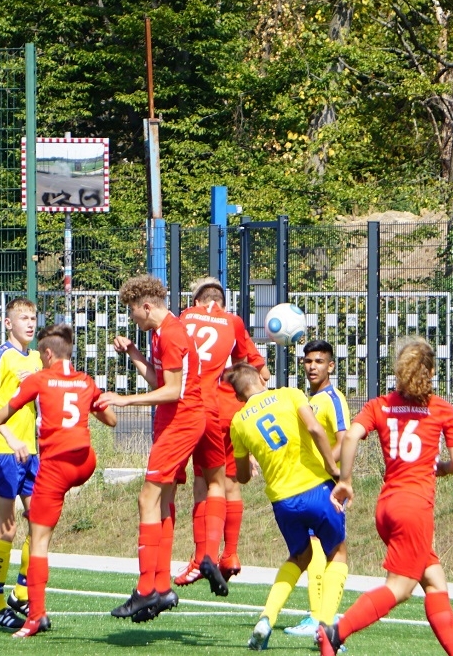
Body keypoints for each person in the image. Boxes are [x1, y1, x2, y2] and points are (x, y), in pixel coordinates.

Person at [318, 337, 453, 656]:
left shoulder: (381, 405)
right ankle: (335, 633)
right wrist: (440, 468)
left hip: (387, 507)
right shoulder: (441, 409)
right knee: (399, 588)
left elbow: (352, 436)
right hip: (414, 509)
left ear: (399, 371)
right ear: (431, 372)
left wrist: (345, 480)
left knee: (435, 581)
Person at [0, 324, 117, 638]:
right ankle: (21, 594)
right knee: (33, 516)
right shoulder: (85, 381)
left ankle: (35, 616)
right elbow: (111, 419)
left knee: (39, 539)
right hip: (85, 463)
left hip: (55, 466)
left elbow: (1, 415)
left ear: (48, 354)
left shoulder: (39, 379)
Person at [94, 275, 215, 625]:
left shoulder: (173, 334)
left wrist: (125, 399)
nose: (132, 318)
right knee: (162, 501)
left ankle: (147, 588)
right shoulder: (160, 333)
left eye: (132, 311)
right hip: (173, 421)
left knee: (147, 498)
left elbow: (174, 391)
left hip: (181, 422)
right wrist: (134, 354)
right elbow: (159, 381)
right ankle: (160, 587)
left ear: (146, 307)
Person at [224, 362, 344, 651]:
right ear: (260, 378)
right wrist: (332, 468)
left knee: (301, 557)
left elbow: (242, 477)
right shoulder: (290, 394)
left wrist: (249, 461)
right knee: (337, 553)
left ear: (239, 396)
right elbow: (315, 428)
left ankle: (266, 618)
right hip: (316, 487)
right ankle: (326, 628)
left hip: (283, 501)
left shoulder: (238, 422)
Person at [173, 277, 270, 588]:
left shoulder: (186, 319)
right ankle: (231, 554)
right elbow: (261, 371)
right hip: (234, 410)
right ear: (223, 303)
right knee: (230, 483)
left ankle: (202, 557)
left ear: (196, 302)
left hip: (203, 406)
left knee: (203, 483)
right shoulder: (233, 324)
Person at [0, 297, 42, 630]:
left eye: (33, 318)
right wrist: (12, 439)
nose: (30, 323)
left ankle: (20, 593)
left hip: (31, 451)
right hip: (4, 450)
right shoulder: (0, 355)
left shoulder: (37, 358)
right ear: (8, 323)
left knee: (40, 522)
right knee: (7, 528)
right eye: (23, 318)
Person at [284, 339, 350, 638]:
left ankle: (320, 617)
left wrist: (326, 468)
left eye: (319, 362)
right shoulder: (308, 399)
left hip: (326, 485)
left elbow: (344, 441)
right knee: (314, 548)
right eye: (309, 361)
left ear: (331, 366)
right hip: (308, 485)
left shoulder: (333, 399)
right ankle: (319, 616)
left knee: (326, 549)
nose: (313, 367)